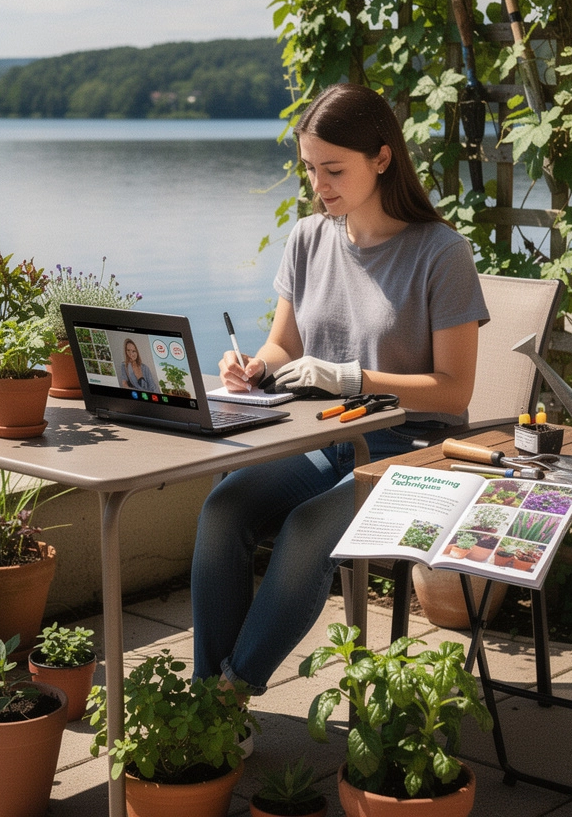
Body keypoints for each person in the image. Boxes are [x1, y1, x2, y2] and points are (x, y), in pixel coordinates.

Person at [191, 82, 490, 700]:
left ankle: (227, 699)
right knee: (223, 509)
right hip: (325, 435)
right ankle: (203, 692)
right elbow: (285, 346)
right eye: (309, 169)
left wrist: (354, 378)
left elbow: (454, 390)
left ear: (382, 158)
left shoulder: (441, 253)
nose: (318, 185)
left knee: (306, 529)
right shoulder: (309, 237)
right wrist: (253, 365)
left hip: (413, 451)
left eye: (333, 170)